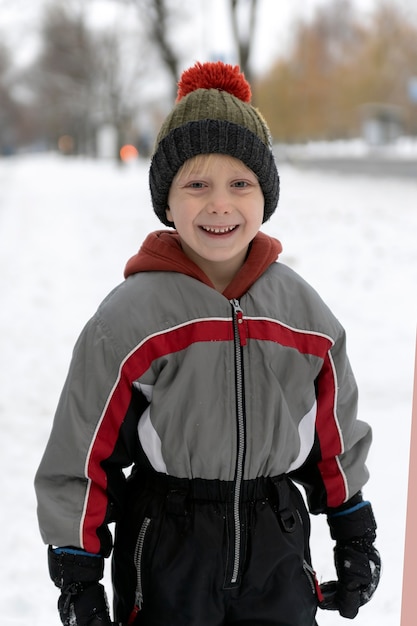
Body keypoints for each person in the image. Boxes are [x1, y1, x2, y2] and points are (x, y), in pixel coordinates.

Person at [35, 61, 380, 626]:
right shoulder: (130, 320)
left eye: (240, 184)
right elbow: (83, 450)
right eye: (197, 184)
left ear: (264, 196)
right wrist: (77, 574)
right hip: (170, 549)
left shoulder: (304, 316)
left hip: (278, 541)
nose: (220, 204)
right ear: (166, 200)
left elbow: (333, 435)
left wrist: (354, 531)